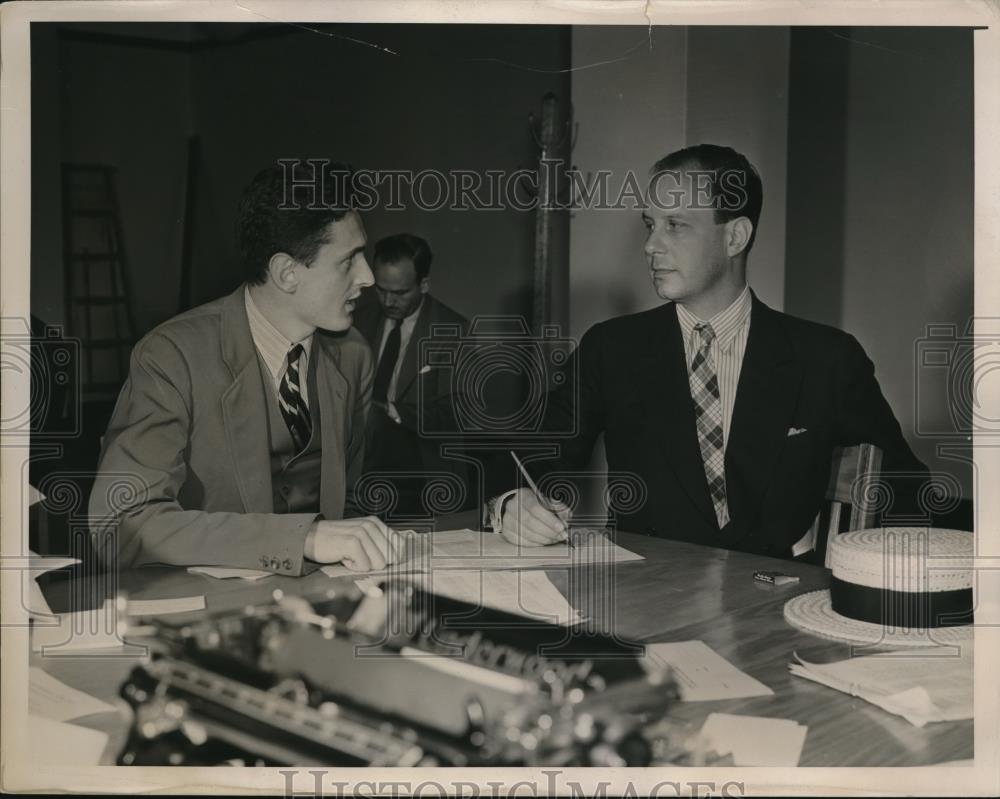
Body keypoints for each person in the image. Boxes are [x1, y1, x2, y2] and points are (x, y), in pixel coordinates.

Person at [496, 144, 926, 560]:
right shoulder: (610, 349)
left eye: (675, 225)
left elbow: (909, 492)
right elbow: (527, 459)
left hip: (777, 596)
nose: (650, 246)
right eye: (650, 225)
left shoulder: (827, 359)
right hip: (645, 591)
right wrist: (511, 504)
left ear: (735, 237)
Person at [88, 162, 408, 575]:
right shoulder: (171, 357)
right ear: (286, 273)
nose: (367, 277)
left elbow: (353, 501)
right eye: (349, 260)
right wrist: (302, 539)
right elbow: (120, 523)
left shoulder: (353, 355)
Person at [353, 234, 471, 517]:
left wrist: (389, 411)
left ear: (424, 284)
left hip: (423, 474)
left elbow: (456, 413)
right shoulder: (357, 319)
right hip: (361, 471)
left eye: (400, 293)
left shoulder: (454, 330)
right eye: (381, 289)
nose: (388, 301)